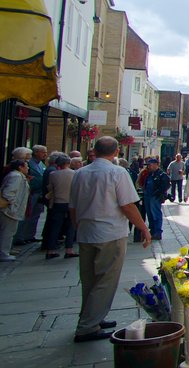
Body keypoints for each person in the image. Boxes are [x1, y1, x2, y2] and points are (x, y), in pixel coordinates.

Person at [69, 136, 151, 342]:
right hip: (110, 232)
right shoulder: (117, 172)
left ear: (94, 150)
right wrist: (143, 228)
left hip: (86, 232)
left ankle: (92, 317)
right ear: (116, 152)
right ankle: (88, 326)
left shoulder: (79, 173)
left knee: (89, 280)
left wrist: (77, 226)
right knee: (106, 280)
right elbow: (128, 205)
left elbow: (72, 206)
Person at [0, 159, 30, 262]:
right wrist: (14, 205)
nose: (28, 168)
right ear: (20, 167)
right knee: (7, 232)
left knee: (7, 232)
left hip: (9, 209)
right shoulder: (16, 176)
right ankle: (2, 254)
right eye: (26, 166)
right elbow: (8, 193)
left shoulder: (16, 175)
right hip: (8, 210)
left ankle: (3, 252)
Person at [42, 153, 78, 259]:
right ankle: (69, 249)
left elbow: (50, 188)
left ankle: (51, 250)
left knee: (55, 227)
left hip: (57, 203)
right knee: (71, 227)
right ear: (68, 163)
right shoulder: (74, 174)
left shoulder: (53, 174)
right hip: (70, 202)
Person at [14, 145, 48, 245]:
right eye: (43, 152)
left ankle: (30, 235)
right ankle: (20, 237)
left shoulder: (41, 163)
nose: (45, 154)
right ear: (36, 152)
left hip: (39, 192)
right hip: (31, 193)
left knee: (36, 215)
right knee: (26, 215)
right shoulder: (29, 163)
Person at [138, 158, 169, 240]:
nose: (148, 167)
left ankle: (158, 232)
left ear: (156, 164)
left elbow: (166, 185)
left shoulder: (161, 174)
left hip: (155, 197)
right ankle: (152, 230)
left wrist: (159, 193)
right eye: (148, 165)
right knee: (150, 215)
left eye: (150, 165)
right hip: (147, 196)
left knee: (156, 214)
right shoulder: (149, 174)